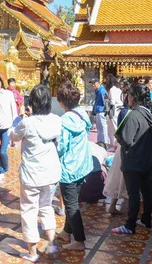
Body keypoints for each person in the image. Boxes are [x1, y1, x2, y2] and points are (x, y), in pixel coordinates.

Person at [8, 85, 61, 262]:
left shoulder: (27, 122)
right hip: (51, 172)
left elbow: (13, 136)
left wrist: (21, 118)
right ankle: (52, 244)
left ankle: (32, 252)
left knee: (29, 210)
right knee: (46, 207)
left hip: (32, 174)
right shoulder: (55, 120)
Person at [112, 83, 152, 234]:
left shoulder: (133, 115)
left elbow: (127, 139)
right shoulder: (149, 114)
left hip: (133, 160)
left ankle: (130, 225)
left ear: (135, 97)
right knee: (146, 190)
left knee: (133, 193)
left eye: (130, 94)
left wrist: (119, 137)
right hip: (146, 159)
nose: (128, 98)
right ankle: (146, 219)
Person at [56, 81, 93, 251]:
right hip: (82, 164)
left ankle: (79, 240)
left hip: (69, 167)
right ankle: (66, 231)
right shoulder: (82, 114)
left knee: (71, 205)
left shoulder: (64, 120)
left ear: (62, 102)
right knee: (73, 201)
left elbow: (62, 146)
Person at [0, 74, 19, 182]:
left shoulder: (8, 94)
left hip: (6, 127)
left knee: (3, 151)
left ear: (1, 83)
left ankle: (6, 168)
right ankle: (1, 171)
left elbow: (14, 111)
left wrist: (14, 128)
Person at [106, 74, 123, 147]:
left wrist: (107, 99)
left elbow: (112, 102)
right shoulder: (119, 89)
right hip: (119, 108)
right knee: (116, 126)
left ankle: (114, 143)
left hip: (113, 109)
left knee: (112, 128)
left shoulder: (111, 90)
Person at [92, 79, 109, 145]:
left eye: (94, 83)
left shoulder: (102, 91)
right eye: (92, 83)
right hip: (98, 111)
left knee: (103, 128)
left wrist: (106, 111)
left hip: (102, 111)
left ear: (98, 83)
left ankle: (104, 143)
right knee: (99, 129)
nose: (93, 85)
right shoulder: (98, 91)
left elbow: (106, 101)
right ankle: (100, 142)